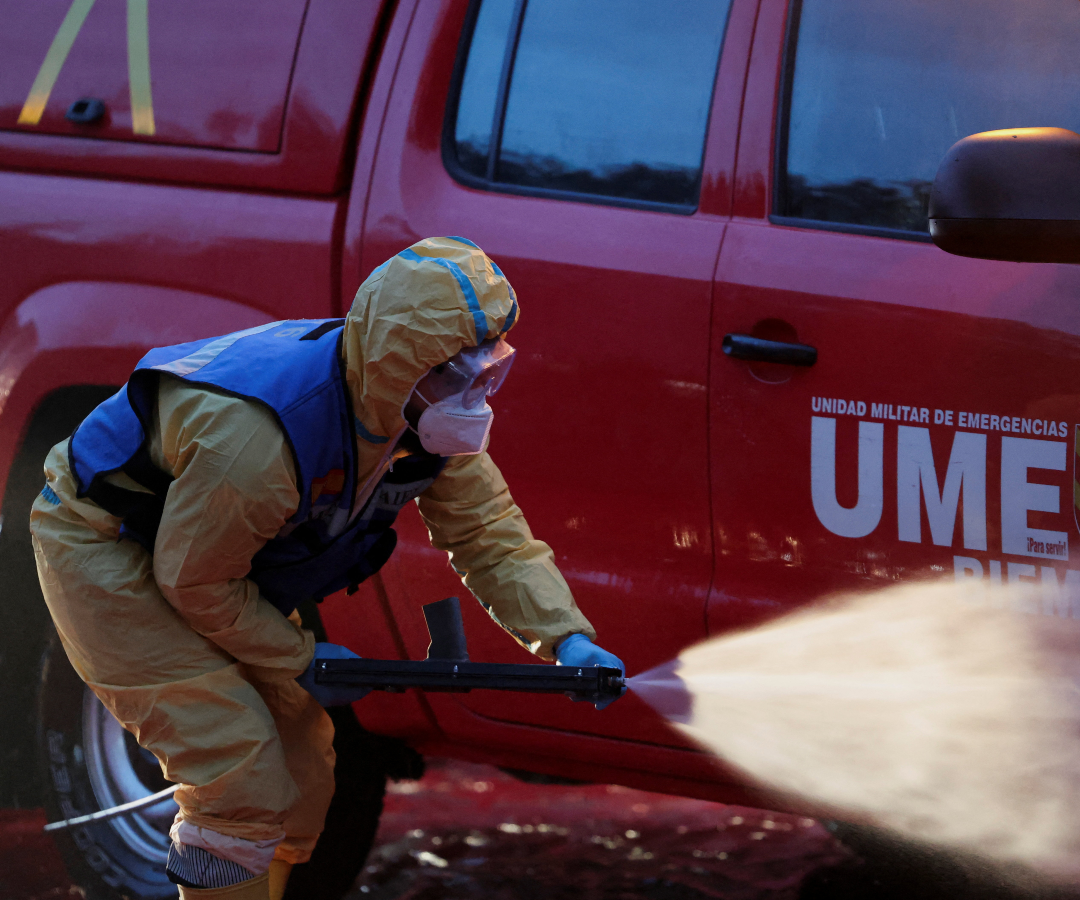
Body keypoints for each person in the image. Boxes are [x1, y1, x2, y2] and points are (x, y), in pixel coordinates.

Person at [30, 237, 624, 899]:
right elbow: (193, 581)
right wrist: (297, 655)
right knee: (235, 763)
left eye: (492, 369)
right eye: (462, 377)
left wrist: (566, 638)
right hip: (107, 543)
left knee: (304, 764)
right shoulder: (258, 441)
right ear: (404, 364)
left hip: (205, 551)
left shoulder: (411, 415)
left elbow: (491, 536)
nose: (479, 394)